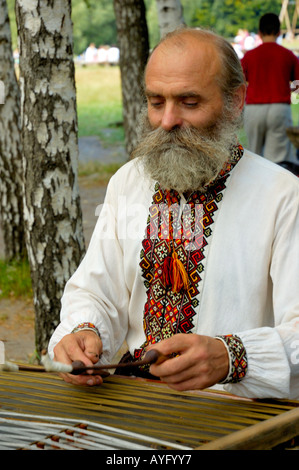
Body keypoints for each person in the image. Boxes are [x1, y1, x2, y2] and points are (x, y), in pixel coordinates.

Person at [48, 27, 299, 400]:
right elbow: (98, 291)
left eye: (189, 102)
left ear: (235, 100)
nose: (167, 120)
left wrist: (233, 357)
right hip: (137, 404)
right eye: (156, 101)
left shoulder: (283, 195)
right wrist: (83, 330)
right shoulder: (129, 181)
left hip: (236, 416)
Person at [241, 13, 299, 165]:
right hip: (279, 108)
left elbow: (239, 82)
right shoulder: (288, 55)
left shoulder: (249, 56)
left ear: (259, 33)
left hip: (253, 108)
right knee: (278, 160)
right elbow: (298, 83)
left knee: (254, 157)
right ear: (279, 32)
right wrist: (290, 91)